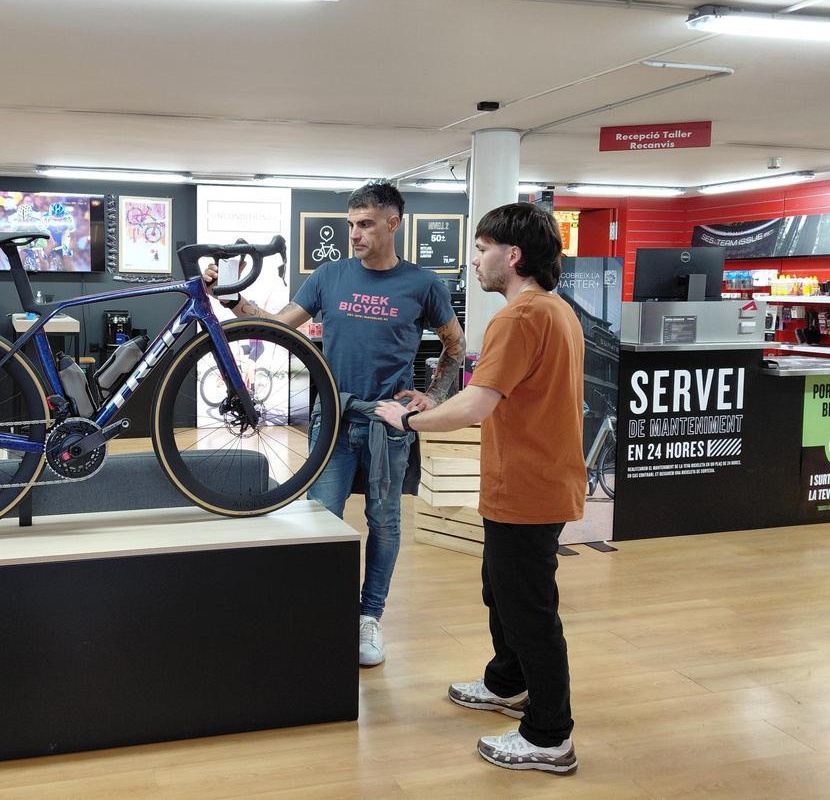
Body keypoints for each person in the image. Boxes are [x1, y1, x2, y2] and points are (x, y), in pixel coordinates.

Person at [204, 181, 465, 667]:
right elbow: (280, 325)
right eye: (351, 224)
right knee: (322, 514)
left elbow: (455, 345)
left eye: (365, 224)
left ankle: (369, 618)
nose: (355, 234)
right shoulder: (330, 276)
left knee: (384, 523)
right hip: (335, 417)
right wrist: (233, 301)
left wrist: (431, 397)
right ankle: (326, 610)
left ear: (393, 224)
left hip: (389, 421)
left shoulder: (423, 284)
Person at [376, 202, 585, 775]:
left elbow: (479, 404)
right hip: (530, 481)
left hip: (528, 488)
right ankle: (507, 682)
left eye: (481, 248)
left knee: (529, 612)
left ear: (511, 256)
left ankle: (549, 736)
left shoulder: (519, 317)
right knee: (502, 593)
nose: (474, 260)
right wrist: (436, 401)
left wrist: (411, 421)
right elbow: (502, 393)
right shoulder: (555, 310)